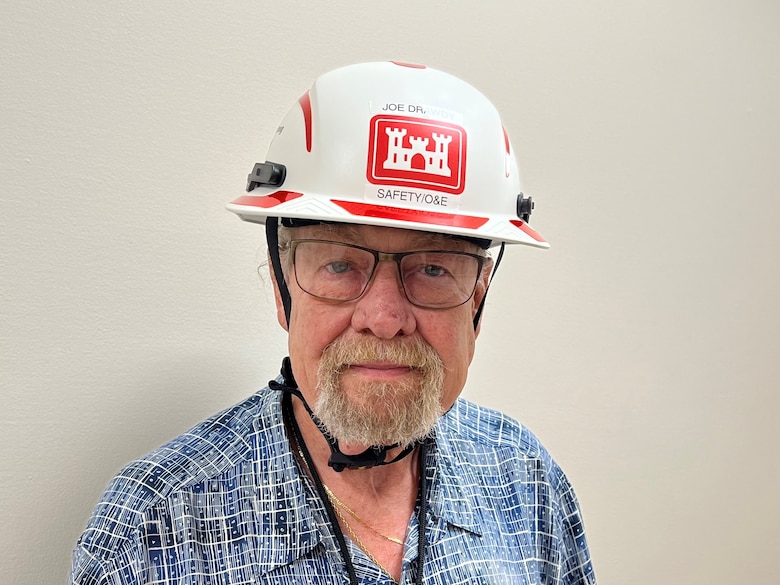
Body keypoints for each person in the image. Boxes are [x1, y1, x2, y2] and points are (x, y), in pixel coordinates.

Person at [70, 61, 596, 585]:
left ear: (476, 304)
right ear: (282, 292)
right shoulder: (150, 532)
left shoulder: (524, 479)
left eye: (434, 267)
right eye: (341, 265)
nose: (385, 320)